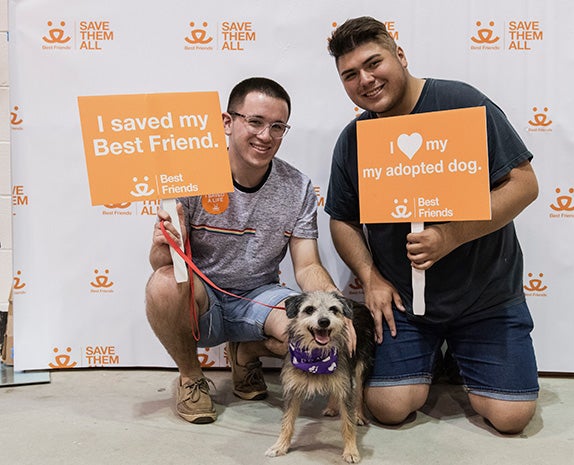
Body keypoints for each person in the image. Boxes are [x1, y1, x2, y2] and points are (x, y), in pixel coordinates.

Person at [325, 17, 540, 434]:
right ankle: (431, 353)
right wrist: (370, 277)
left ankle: (460, 355)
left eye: (374, 63)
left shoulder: (462, 102)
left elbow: (524, 185)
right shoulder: (354, 138)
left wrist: (450, 235)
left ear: (400, 56)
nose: (365, 80)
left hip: (487, 299)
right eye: (350, 75)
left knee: (511, 418)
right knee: (389, 408)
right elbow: (343, 220)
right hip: (406, 307)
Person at [145, 77, 342, 424]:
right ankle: (191, 378)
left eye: (277, 126)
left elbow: (307, 265)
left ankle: (246, 353)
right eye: (255, 122)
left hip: (259, 297)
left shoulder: (297, 187)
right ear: (227, 122)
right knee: (162, 283)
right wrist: (163, 244)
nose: (266, 136)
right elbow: (163, 265)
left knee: (308, 330)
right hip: (203, 298)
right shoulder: (189, 177)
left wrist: (334, 302)